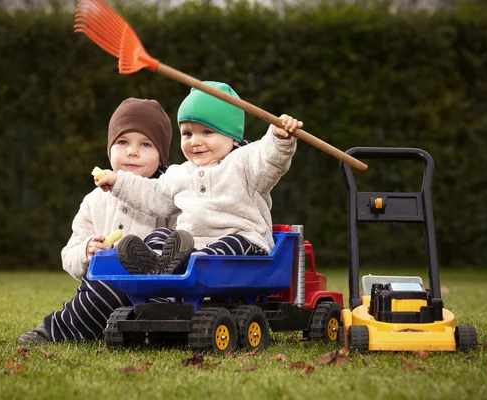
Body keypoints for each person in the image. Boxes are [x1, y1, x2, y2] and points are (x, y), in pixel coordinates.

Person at [95, 81, 300, 276]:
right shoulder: (180, 173)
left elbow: (270, 160)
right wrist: (118, 182)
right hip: (191, 245)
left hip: (244, 245)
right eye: (187, 134)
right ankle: (156, 270)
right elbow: (153, 194)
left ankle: (180, 267)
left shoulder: (245, 162)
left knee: (229, 245)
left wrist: (279, 138)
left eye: (207, 132)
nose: (195, 142)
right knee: (160, 236)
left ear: (232, 137)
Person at [17, 98, 175, 344]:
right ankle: (59, 329)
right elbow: (68, 255)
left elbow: (186, 242)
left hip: (158, 293)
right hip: (107, 289)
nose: (132, 151)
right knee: (101, 285)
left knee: (162, 242)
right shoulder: (94, 201)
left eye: (145, 144)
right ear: (109, 148)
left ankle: (71, 327)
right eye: (123, 142)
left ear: (161, 155)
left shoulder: (168, 193)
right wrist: (86, 250)